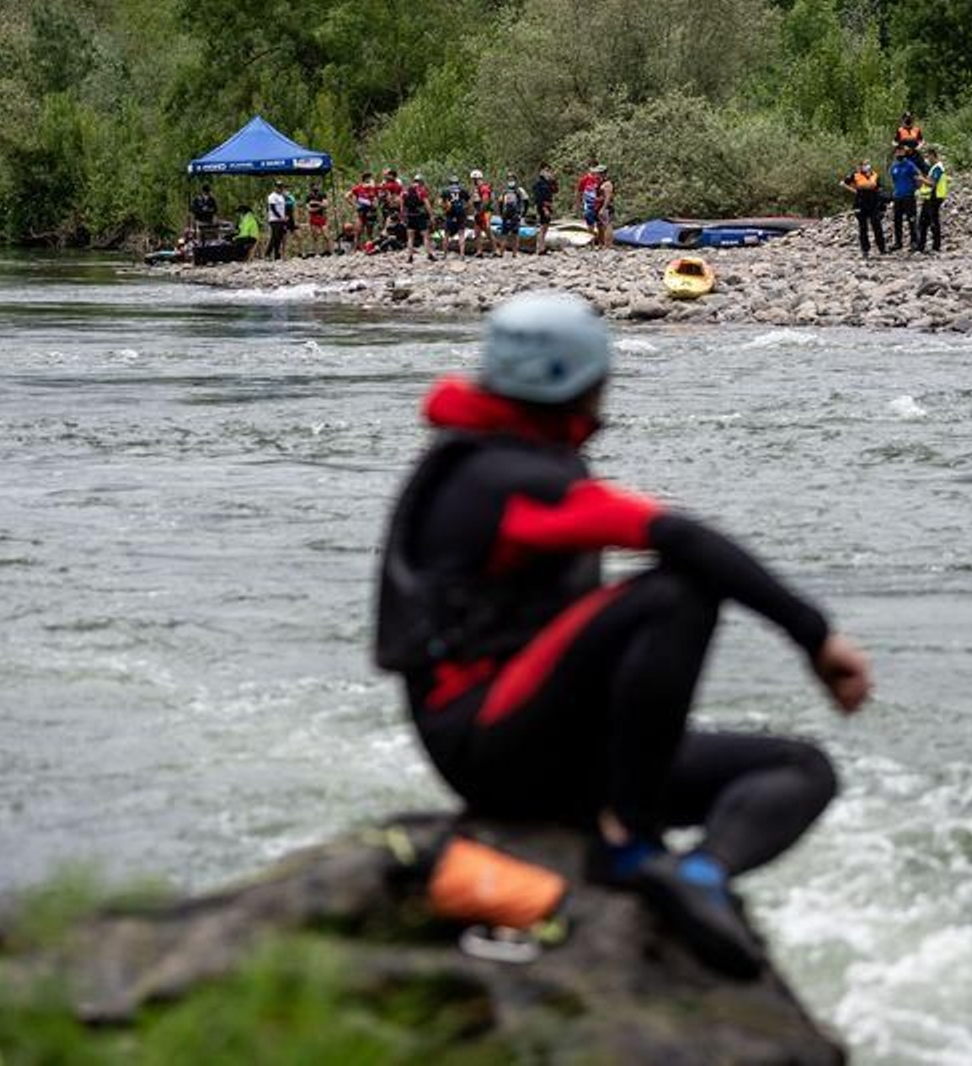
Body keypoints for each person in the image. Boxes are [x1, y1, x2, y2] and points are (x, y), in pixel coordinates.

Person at [373, 291, 873, 978]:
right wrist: (816, 638)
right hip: (484, 741)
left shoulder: (502, 459)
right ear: (581, 386)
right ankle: (630, 839)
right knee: (678, 592)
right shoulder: (502, 480)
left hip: (553, 749)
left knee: (799, 770)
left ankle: (698, 874)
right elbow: (680, 535)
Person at [841, 161, 887, 257]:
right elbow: (843, 183)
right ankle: (865, 250)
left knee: (877, 225)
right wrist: (855, 190)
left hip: (873, 204)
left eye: (867, 164)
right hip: (860, 204)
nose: (865, 166)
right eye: (863, 165)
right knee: (863, 227)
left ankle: (882, 248)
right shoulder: (855, 175)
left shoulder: (875, 175)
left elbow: (879, 188)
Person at [914, 147, 949, 253]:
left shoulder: (938, 168)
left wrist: (921, 179)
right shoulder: (933, 168)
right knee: (923, 222)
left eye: (928, 156)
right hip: (929, 197)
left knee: (933, 222)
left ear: (933, 155)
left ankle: (936, 246)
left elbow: (933, 183)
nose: (927, 159)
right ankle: (921, 246)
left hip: (935, 197)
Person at [888, 146, 920, 252]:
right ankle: (898, 243)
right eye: (897, 152)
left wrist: (915, 189)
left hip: (909, 196)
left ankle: (914, 242)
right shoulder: (894, 166)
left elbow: (918, 177)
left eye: (901, 151)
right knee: (897, 221)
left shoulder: (910, 165)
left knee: (911, 219)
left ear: (904, 153)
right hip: (897, 197)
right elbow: (893, 179)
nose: (899, 154)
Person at [403, 173, 435, 263]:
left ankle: (410, 257)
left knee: (410, 237)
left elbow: (403, 205)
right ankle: (429, 255)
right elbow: (427, 204)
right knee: (425, 236)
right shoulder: (421, 191)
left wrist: (403, 216)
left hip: (410, 215)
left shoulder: (406, 191)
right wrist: (431, 215)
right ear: (421, 182)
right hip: (420, 216)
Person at [441, 175, 472, 259]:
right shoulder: (462, 190)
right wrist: (466, 210)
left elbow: (442, 203)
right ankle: (462, 254)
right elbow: (469, 202)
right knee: (461, 234)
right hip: (460, 213)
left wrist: (444, 210)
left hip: (449, 214)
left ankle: (444, 254)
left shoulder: (446, 191)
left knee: (446, 234)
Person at [471, 169, 498, 258]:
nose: (473, 182)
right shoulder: (477, 188)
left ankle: (495, 250)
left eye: (473, 179)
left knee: (487, 230)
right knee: (477, 231)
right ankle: (479, 251)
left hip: (485, 212)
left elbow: (485, 201)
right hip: (479, 212)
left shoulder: (484, 188)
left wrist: (480, 211)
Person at [348, 171, 380, 246]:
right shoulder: (358, 187)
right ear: (365, 179)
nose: (370, 180)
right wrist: (354, 205)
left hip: (370, 209)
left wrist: (376, 203)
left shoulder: (373, 187)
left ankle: (369, 246)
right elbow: (347, 196)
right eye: (369, 178)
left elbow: (378, 196)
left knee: (370, 229)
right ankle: (357, 247)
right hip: (361, 209)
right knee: (359, 229)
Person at [498, 175, 527, 256]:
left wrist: (501, 214)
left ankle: (501, 253)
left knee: (504, 234)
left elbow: (500, 203)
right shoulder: (519, 191)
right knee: (514, 235)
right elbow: (526, 202)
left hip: (507, 215)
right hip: (514, 215)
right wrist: (523, 214)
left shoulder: (504, 191)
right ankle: (514, 253)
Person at [533, 163, 559, 255]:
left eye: (548, 170)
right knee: (543, 227)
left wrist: (553, 181)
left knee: (546, 226)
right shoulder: (538, 183)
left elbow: (555, 190)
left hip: (548, 205)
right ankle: (540, 248)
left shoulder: (548, 182)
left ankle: (542, 247)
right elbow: (538, 198)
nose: (547, 172)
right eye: (546, 170)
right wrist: (544, 208)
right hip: (542, 206)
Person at [265, 181, 290, 260]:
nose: (280, 189)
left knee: (279, 237)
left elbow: (283, 208)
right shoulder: (272, 196)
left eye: (281, 187)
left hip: (281, 219)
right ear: (275, 187)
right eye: (278, 187)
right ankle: (267, 254)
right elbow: (273, 208)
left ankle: (277, 254)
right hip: (274, 219)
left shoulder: (281, 196)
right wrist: (280, 217)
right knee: (274, 237)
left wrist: (285, 216)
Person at [304, 183, 331, 255]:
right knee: (315, 236)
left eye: (317, 186)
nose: (316, 187)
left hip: (321, 216)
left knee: (326, 234)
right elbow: (309, 209)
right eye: (314, 186)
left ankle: (328, 250)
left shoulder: (322, 194)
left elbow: (326, 205)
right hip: (313, 217)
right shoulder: (308, 196)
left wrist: (315, 203)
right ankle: (316, 252)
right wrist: (320, 206)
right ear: (311, 187)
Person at [594, 165, 615, 248]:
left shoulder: (607, 184)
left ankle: (608, 244)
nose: (596, 175)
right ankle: (601, 243)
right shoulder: (600, 183)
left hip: (605, 207)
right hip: (599, 206)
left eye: (598, 173)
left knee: (607, 225)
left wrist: (603, 208)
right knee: (600, 225)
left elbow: (608, 197)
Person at [577, 161, 601, 233]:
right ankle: (591, 242)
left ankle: (601, 242)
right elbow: (579, 192)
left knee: (600, 224)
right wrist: (578, 204)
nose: (593, 169)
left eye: (595, 167)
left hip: (599, 204)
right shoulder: (584, 179)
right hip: (588, 205)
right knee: (590, 223)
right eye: (591, 167)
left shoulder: (600, 179)